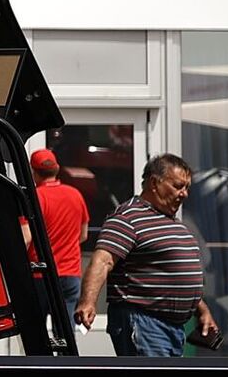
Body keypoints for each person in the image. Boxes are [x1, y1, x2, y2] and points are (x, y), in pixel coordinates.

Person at [75, 153, 218, 357]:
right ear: (154, 183)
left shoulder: (170, 221)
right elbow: (103, 261)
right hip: (144, 323)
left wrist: (201, 309)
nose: (185, 194)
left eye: (187, 188)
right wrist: (87, 301)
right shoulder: (128, 217)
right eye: (178, 186)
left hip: (172, 328)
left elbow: (172, 275)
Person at [28, 149, 90, 308]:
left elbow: (26, 238)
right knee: (66, 322)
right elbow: (83, 235)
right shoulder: (75, 194)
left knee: (35, 323)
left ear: (33, 172)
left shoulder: (34, 197)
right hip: (70, 273)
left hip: (40, 273)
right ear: (57, 169)